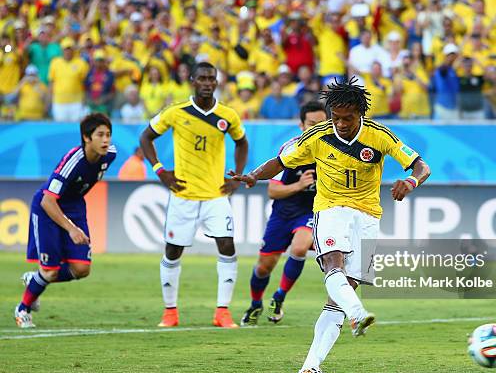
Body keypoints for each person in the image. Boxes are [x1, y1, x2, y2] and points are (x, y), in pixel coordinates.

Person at [231, 77, 430, 373]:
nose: (340, 124)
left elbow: (421, 166)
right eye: (335, 118)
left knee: (343, 291)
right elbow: (279, 161)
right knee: (333, 266)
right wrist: (252, 176)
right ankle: (358, 314)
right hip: (330, 209)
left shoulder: (379, 136)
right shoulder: (317, 136)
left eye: (347, 118)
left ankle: (310, 367)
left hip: (367, 217)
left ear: (360, 114)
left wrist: (411, 182)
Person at [139, 62, 249, 329]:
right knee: (173, 250)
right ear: (192, 80)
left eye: (212, 78)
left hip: (215, 195)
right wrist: (160, 171)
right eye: (202, 78)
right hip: (183, 195)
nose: (207, 83)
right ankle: (170, 312)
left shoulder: (228, 115)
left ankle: (222, 312)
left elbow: (242, 142)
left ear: (217, 81)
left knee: (227, 246)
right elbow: (145, 138)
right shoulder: (176, 112)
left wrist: (236, 178)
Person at [15, 113, 116, 328]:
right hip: (48, 208)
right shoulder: (74, 161)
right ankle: (22, 309)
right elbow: (48, 200)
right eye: (100, 135)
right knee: (50, 270)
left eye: (108, 134)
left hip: (75, 206)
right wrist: (71, 229)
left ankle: (35, 280)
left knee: (82, 269)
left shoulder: (110, 155)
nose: (106, 140)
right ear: (86, 138)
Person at [241, 101, 327, 326]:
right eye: (311, 124)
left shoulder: (333, 152)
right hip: (283, 213)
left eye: (321, 124)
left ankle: (279, 297)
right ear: (301, 125)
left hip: (311, 213)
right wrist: (299, 186)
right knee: (263, 267)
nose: (316, 128)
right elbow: (273, 191)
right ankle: (255, 304)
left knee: (300, 247)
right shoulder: (290, 150)